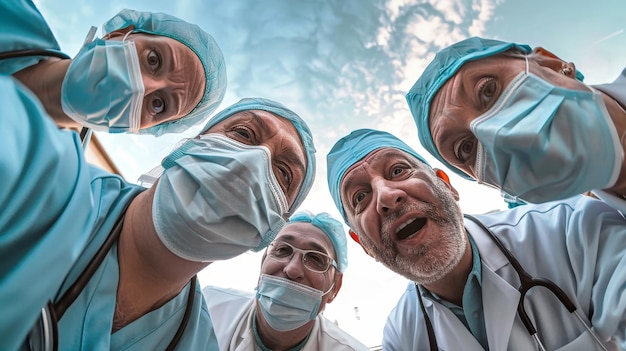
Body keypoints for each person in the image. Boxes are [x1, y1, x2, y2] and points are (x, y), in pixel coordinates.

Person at [1, 85, 316, 349]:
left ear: (271, 228)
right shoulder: (41, 176)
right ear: (189, 147)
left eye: (284, 173)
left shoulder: (196, 342)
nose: (255, 160)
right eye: (243, 133)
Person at [326, 128, 626, 350]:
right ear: (364, 244)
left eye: (399, 170)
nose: (386, 197)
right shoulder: (401, 337)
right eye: (360, 197)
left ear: (448, 186)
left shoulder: (569, 229)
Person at [406, 36, 626, 211]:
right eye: (465, 148)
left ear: (552, 63)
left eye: (488, 90)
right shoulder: (596, 242)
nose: (499, 136)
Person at [2, 1, 227, 135]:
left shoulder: (48, 183)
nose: (143, 85)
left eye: (158, 104)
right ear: (120, 32)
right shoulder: (10, 11)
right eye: (153, 59)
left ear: (141, 129)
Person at [203, 211, 369, 351]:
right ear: (263, 263)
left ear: (335, 288)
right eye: (282, 249)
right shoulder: (207, 308)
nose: (292, 269)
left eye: (316, 258)